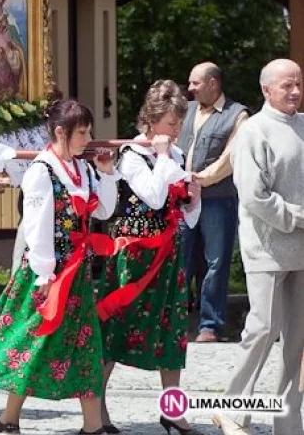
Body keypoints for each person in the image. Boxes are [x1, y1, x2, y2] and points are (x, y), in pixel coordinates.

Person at [0, 99, 118, 434]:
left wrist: (107, 174)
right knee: (34, 341)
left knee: (86, 344)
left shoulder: (83, 169)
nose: (88, 138)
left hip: (77, 272)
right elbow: (37, 226)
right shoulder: (41, 171)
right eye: (82, 132)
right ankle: (9, 417)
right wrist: (45, 273)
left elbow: (104, 211)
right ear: (61, 132)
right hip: (49, 273)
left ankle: (92, 425)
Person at [98, 80, 202, 435]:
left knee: (173, 329)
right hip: (135, 255)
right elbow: (154, 196)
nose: (176, 130)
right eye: (171, 123)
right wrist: (163, 157)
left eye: (180, 123)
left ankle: (173, 409)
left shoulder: (174, 154)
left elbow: (187, 216)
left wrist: (194, 198)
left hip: (169, 252)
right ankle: (97, 406)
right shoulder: (131, 154)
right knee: (116, 327)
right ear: (152, 119)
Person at [213, 59, 304, 435]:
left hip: (302, 250)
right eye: (287, 85)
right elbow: (253, 196)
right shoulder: (253, 131)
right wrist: (298, 217)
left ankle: (288, 423)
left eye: (298, 84)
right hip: (266, 248)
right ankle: (233, 412)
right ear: (266, 90)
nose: (295, 91)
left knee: (297, 340)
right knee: (263, 329)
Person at [178, 62, 248, 343]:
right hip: (183, 198)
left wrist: (200, 179)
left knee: (216, 263)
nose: (190, 89)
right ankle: (176, 323)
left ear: (213, 83)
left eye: (195, 83)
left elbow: (230, 158)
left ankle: (210, 325)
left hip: (217, 199)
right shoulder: (185, 110)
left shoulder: (238, 115)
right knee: (181, 259)